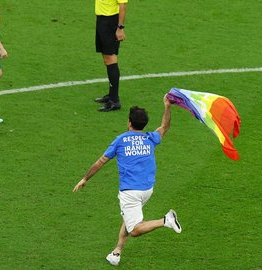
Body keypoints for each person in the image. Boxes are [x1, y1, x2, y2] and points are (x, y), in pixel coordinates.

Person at [73, 95, 182, 266]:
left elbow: (100, 162)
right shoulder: (150, 138)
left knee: (135, 229)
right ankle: (117, 252)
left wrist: (85, 178)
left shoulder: (121, 140)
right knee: (128, 218)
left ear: (129, 122)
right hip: (147, 190)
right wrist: (167, 106)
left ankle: (165, 220)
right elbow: (165, 127)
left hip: (130, 192)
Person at [94, 0, 128, 112]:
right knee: (106, 58)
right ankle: (111, 94)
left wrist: (120, 28)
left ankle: (114, 101)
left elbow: (122, 5)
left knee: (111, 59)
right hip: (101, 20)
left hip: (111, 22)